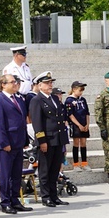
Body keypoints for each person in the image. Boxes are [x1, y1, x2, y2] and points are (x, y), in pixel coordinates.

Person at [0, 74, 31, 214]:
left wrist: (25, 139)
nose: (15, 84)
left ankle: (15, 200)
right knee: (6, 174)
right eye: (12, 82)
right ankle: (5, 201)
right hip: (7, 143)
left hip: (18, 141)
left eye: (16, 82)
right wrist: (4, 142)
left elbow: (22, 121)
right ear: (3, 84)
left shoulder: (18, 98)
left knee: (16, 174)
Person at [29, 72, 70, 208]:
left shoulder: (54, 98)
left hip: (58, 138)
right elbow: (37, 122)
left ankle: (54, 195)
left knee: (54, 169)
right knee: (45, 169)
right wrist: (42, 141)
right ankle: (45, 196)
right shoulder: (37, 100)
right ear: (39, 85)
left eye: (51, 82)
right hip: (47, 139)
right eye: (47, 83)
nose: (50, 85)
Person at [65, 80, 90, 171]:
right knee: (76, 143)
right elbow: (70, 115)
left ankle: (84, 163)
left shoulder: (83, 100)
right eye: (80, 89)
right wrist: (79, 125)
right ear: (74, 89)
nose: (81, 92)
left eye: (82, 90)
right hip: (75, 125)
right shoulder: (69, 100)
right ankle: (76, 164)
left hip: (84, 123)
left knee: (83, 143)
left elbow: (87, 113)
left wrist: (87, 124)